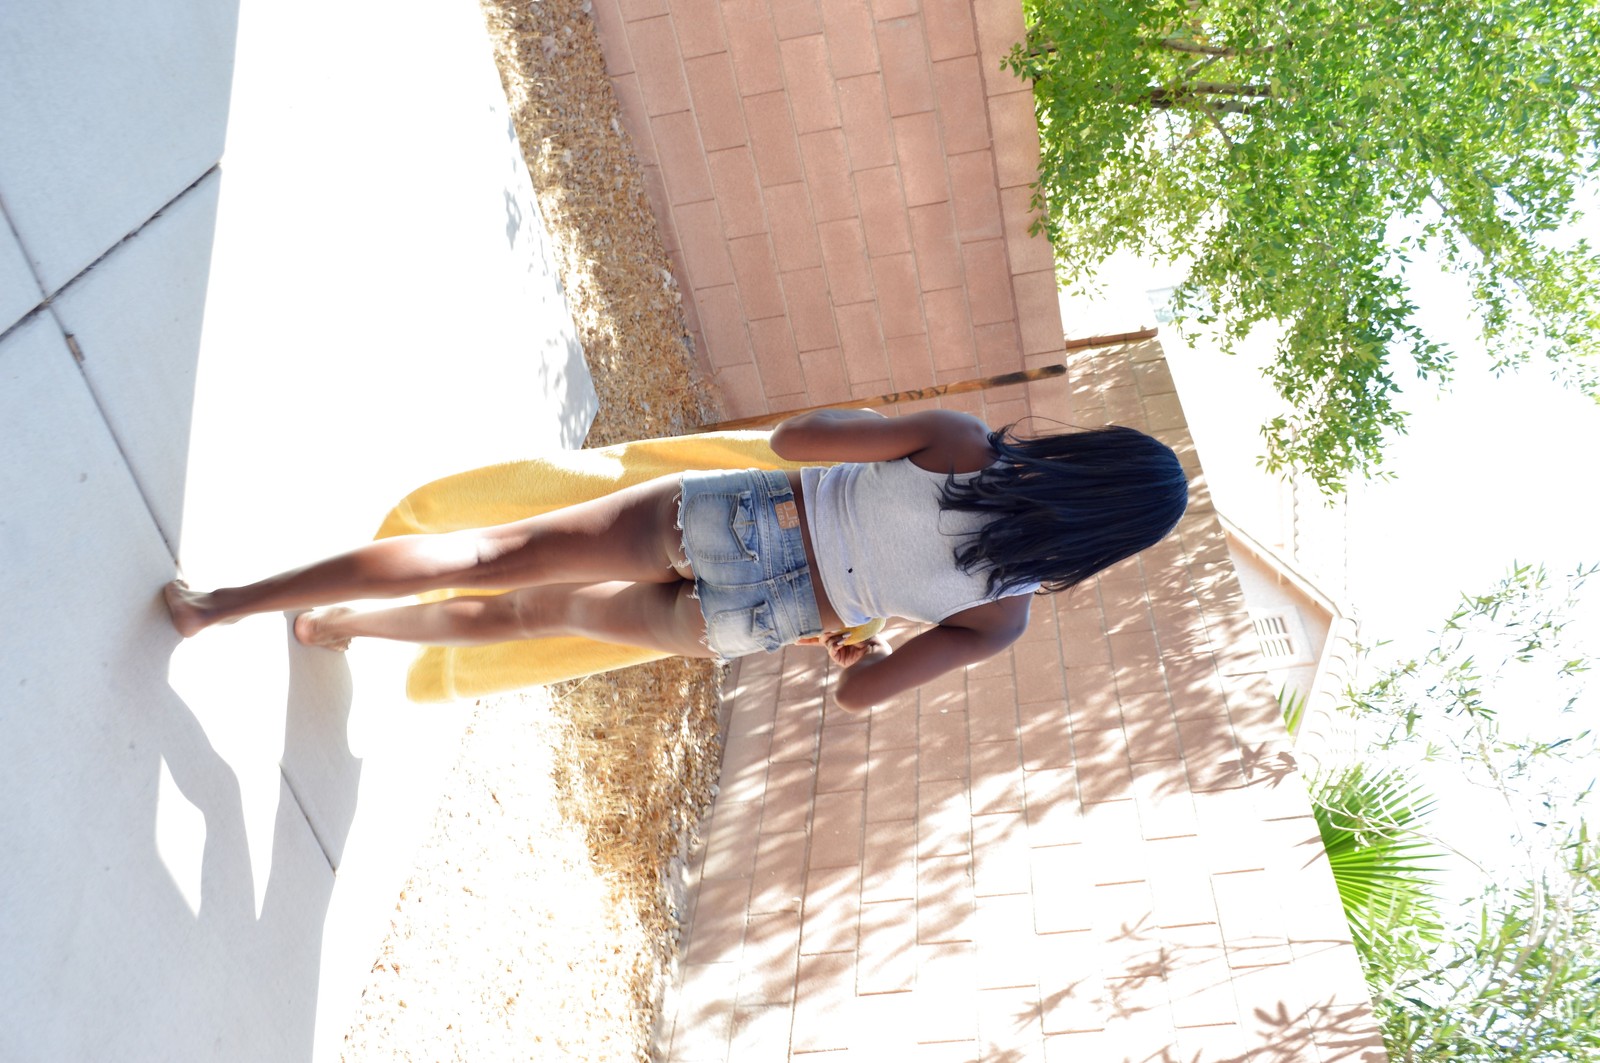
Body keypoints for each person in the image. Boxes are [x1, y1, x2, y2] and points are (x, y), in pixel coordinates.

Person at [163, 409, 1187, 709]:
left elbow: (792, 440)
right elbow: (858, 695)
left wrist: (872, 447)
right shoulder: (1002, 617)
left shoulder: (964, 445)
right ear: (1106, 543)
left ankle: (219, 606)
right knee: (529, 617)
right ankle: (340, 626)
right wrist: (864, 635)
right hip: (756, 619)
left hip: (738, 513)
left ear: (1087, 454)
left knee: (486, 552)